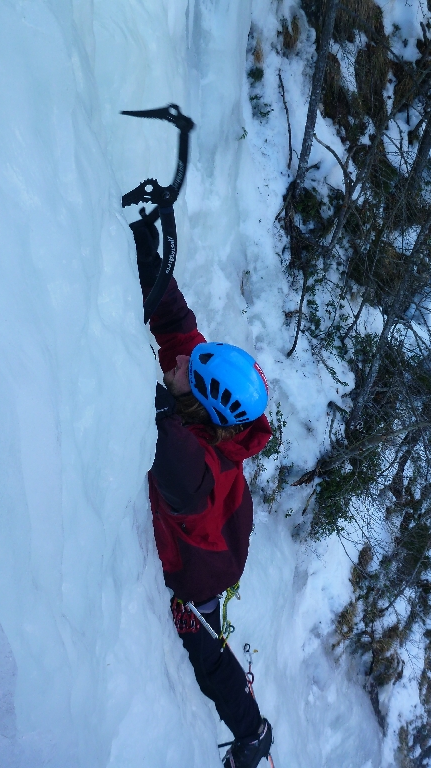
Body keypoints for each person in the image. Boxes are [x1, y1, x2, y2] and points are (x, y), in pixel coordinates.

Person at [132, 204, 274, 768]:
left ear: (197, 403)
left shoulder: (190, 465)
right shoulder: (203, 387)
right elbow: (177, 328)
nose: (183, 359)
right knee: (213, 645)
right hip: (223, 532)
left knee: (208, 653)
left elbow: (174, 463)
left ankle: (253, 733)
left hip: (203, 570)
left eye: (189, 368)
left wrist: (163, 411)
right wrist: (150, 260)